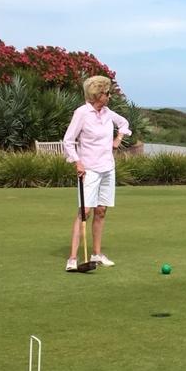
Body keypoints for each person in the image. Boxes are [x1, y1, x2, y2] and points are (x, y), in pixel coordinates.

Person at [63, 76, 132, 271]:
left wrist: (118, 138)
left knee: (101, 211)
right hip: (89, 169)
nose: (109, 96)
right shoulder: (82, 113)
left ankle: (97, 254)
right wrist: (77, 161)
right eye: (107, 93)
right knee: (84, 211)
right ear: (97, 95)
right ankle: (72, 259)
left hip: (107, 168)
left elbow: (125, 123)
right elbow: (68, 140)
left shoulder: (109, 113)